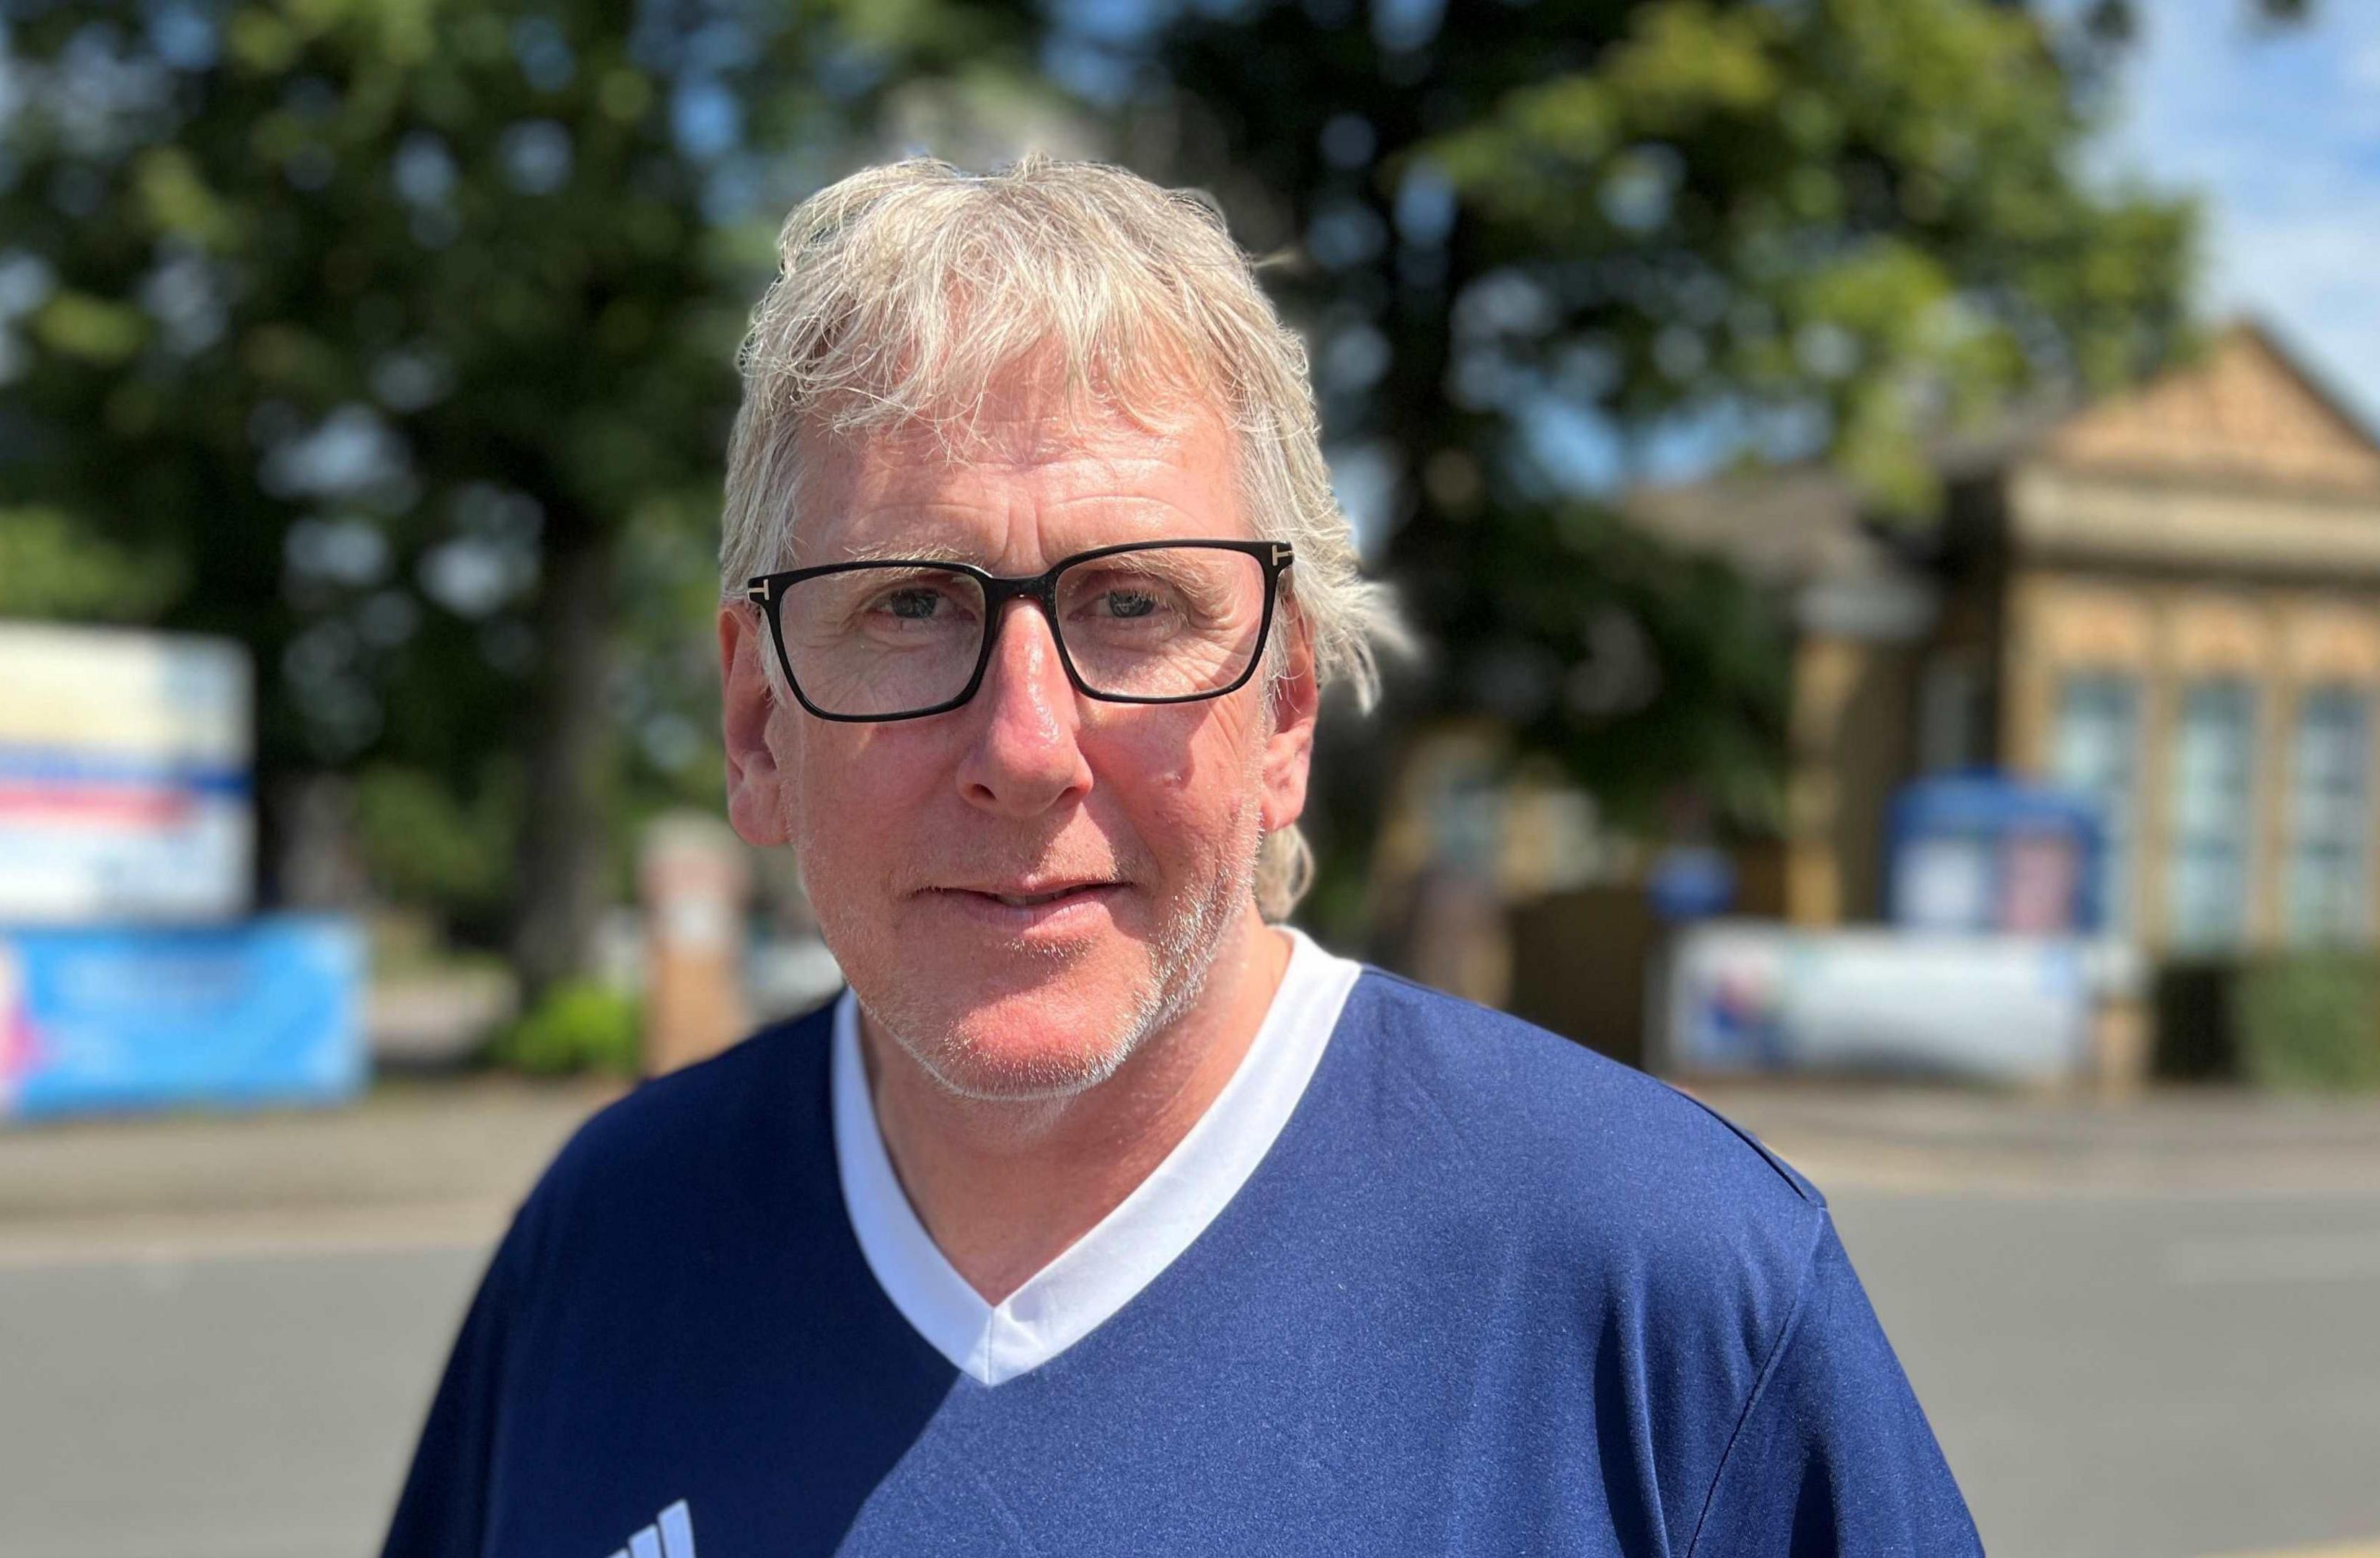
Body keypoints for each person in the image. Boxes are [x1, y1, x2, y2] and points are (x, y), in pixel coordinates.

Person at [381, 155, 1979, 1557]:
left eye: (1133, 604)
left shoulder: (1669, 1291)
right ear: (754, 725)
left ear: (1284, 711)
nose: (1023, 747)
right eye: (908, 604)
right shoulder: (601, 1250)